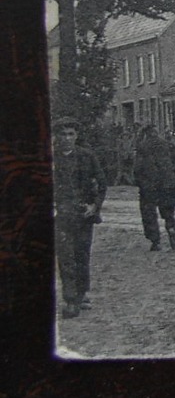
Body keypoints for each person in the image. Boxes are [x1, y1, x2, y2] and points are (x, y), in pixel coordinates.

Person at [53, 116, 106, 318]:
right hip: (61, 216)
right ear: (56, 136)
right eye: (62, 134)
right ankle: (71, 300)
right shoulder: (52, 159)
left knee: (82, 255)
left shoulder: (87, 157)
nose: (66, 138)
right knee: (65, 257)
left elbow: (102, 184)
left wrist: (95, 206)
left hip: (83, 215)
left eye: (71, 134)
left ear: (76, 136)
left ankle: (82, 292)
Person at [133, 120, 175, 252]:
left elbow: (137, 169)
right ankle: (171, 227)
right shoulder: (168, 145)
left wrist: (139, 183)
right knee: (167, 211)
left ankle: (155, 241)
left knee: (149, 212)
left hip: (150, 186)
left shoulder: (142, 147)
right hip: (168, 184)